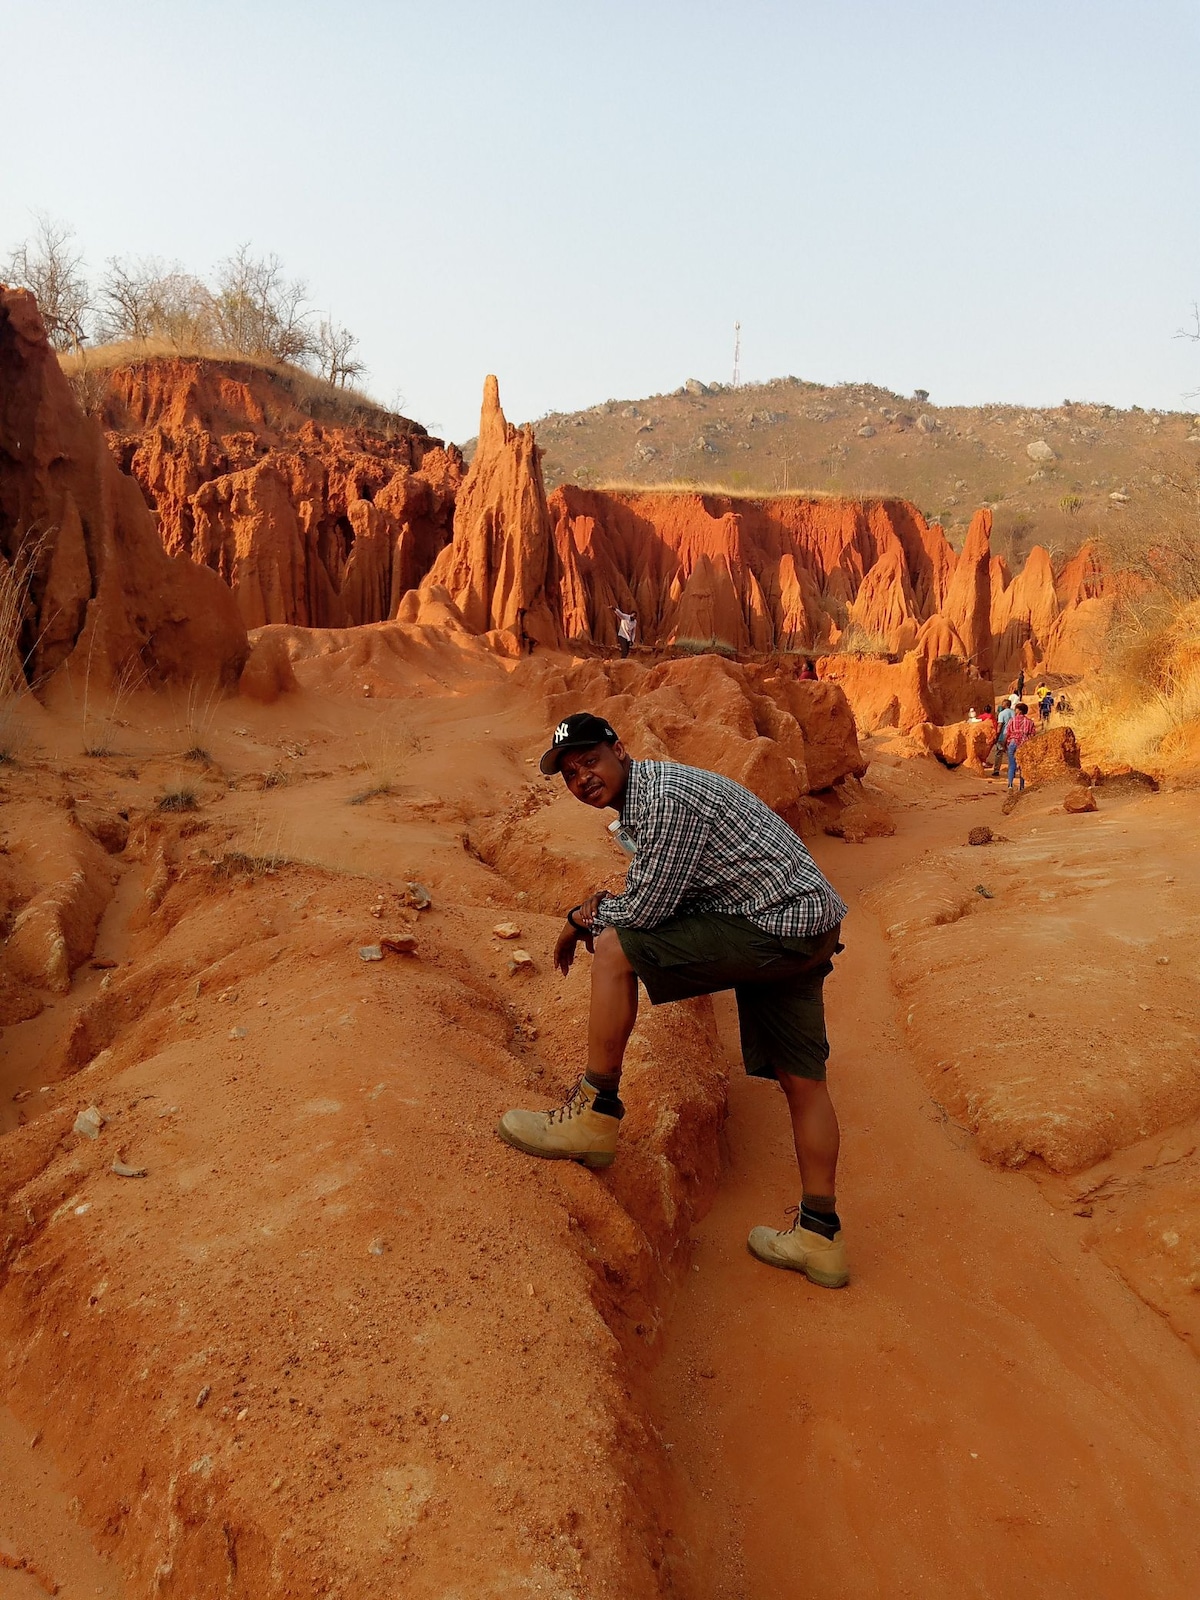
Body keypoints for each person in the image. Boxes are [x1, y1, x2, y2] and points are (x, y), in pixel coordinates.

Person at [496, 712, 851, 1289]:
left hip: (774, 926)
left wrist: (576, 919)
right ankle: (821, 1235)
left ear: (618, 748)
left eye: (589, 760)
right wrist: (601, 904)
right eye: (569, 773)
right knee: (804, 1082)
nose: (582, 777)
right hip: (806, 924)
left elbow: (644, 914)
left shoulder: (660, 801)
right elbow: (663, 890)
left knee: (612, 947)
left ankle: (594, 1113)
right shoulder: (654, 796)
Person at [1005, 701, 1037, 791]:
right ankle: (1021, 786)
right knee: (1022, 765)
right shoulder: (1029, 722)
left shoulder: (1012, 720)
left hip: (1012, 743)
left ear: (1019, 711)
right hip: (1024, 744)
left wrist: (1005, 743)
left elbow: (1008, 733)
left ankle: (1010, 784)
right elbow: (1033, 734)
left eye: (1016, 709)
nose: (1015, 711)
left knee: (1012, 764)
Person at [991, 699, 1013, 777]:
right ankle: (1012, 770)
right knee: (1010, 753)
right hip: (1012, 736)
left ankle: (996, 770)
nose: (1001, 705)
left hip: (1003, 735)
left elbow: (1000, 725)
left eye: (1003, 704)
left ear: (1005, 704)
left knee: (999, 753)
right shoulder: (1014, 712)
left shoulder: (1002, 713)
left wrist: (997, 735)